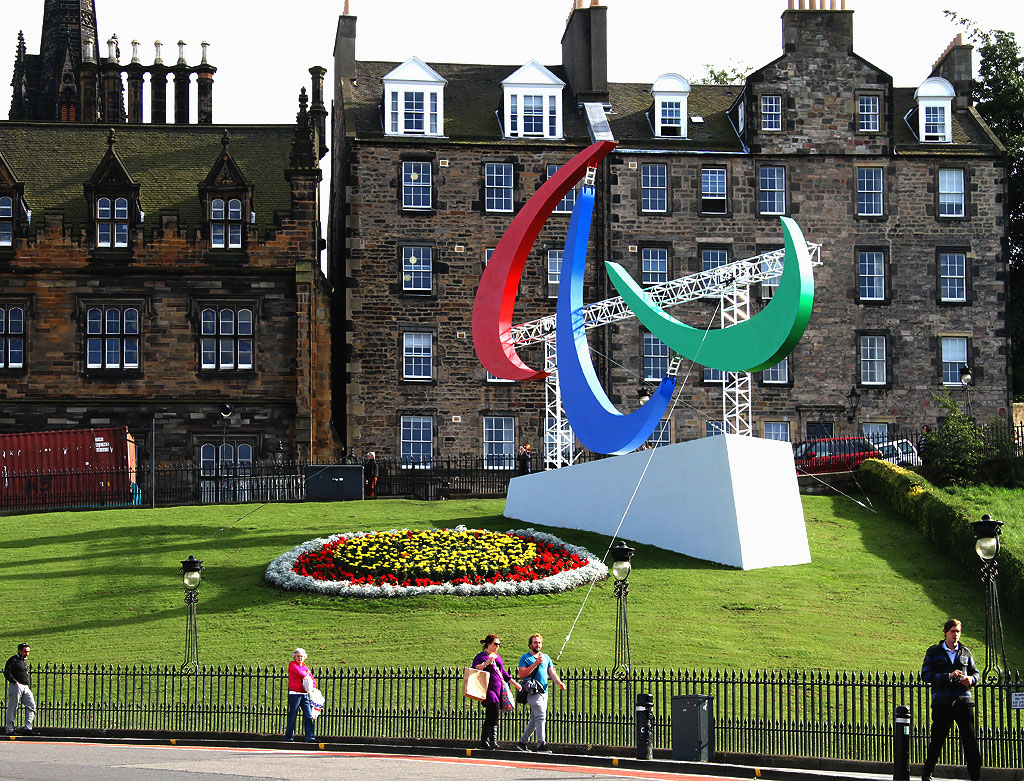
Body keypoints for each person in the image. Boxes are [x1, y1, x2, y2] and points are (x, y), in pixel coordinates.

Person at [920, 619, 981, 781]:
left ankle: (975, 776)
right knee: (937, 739)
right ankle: (927, 772)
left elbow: (976, 673)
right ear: (946, 632)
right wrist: (948, 676)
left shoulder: (966, 652)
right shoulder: (934, 652)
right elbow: (926, 675)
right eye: (953, 631)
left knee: (970, 740)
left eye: (958, 631)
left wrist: (971, 680)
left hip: (963, 701)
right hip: (942, 702)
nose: (956, 635)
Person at [516, 634, 566, 753]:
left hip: (544, 691)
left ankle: (522, 743)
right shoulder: (525, 658)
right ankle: (541, 745)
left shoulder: (546, 657)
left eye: (539, 643)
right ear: (530, 644)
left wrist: (559, 683)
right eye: (535, 643)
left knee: (535, 718)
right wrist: (536, 664)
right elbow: (521, 675)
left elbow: (552, 673)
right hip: (532, 691)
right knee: (541, 716)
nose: (537, 645)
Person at [471, 634, 520, 750]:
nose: (497, 646)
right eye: (495, 644)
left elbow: (502, 672)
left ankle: (484, 741)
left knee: (490, 715)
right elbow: (475, 668)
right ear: (489, 644)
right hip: (487, 688)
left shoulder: (497, 657)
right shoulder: (481, 656)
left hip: (498, 687)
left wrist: (514, 683)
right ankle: (493, 740)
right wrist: (485, 663)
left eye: (498, 644)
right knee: (494, 711)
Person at [284, 647, 317, 743]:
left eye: (301, 656)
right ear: (294, 657)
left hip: (305, 693)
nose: (300, 658)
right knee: (292, 715)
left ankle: (310, 737)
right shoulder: (292, 665)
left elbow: (311, 678)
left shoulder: (305, 667)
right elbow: (300, 673)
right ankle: (289, 737)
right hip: (295, 694)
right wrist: (306, 676)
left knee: (308, 715)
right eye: (298, 656)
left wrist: (313, 686)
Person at [4, 643, 35, 736]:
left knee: (31, 705)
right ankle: (10, 729)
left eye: (28, 651)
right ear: (19, 651)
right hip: (16, 686)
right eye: (25, 651)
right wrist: (15, 682)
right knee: (13, 707)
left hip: (25, 686)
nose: (27, 653)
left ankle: (28, 728)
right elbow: (6, 671)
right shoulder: (13, 660)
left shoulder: (23, 661)